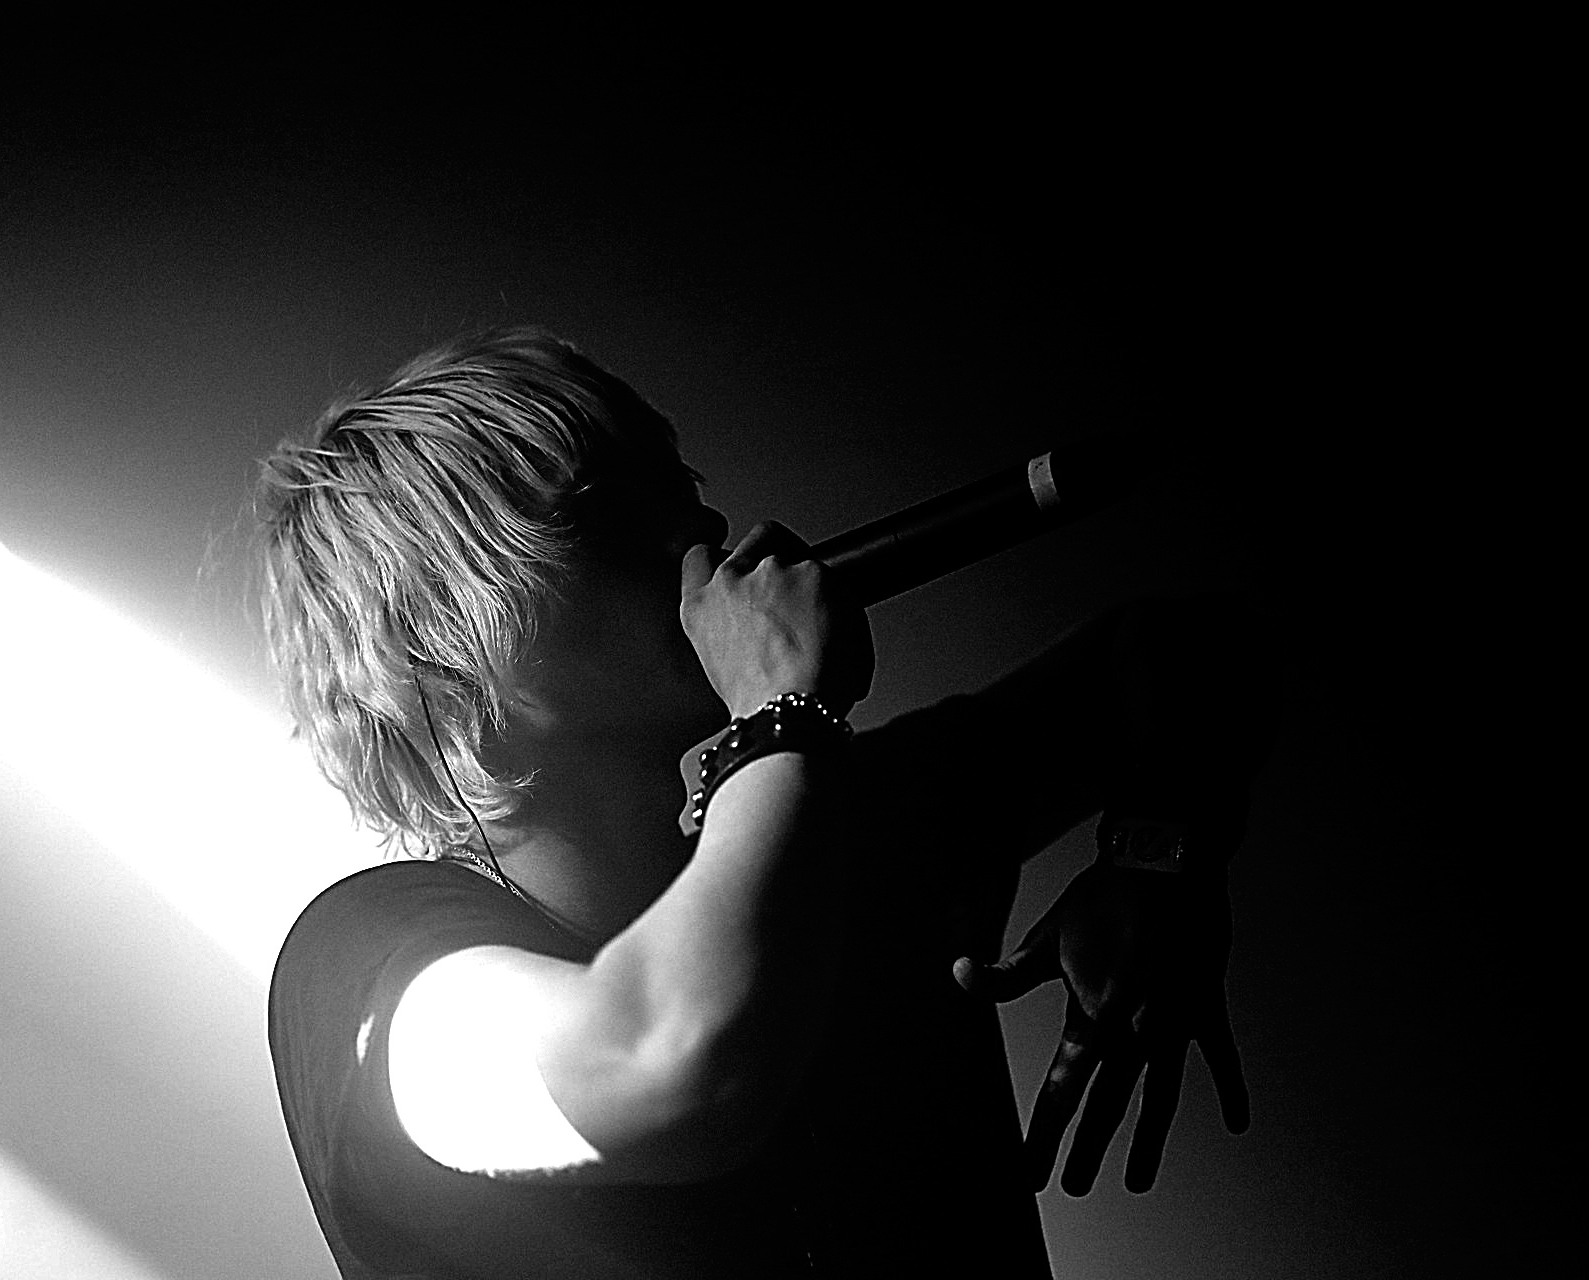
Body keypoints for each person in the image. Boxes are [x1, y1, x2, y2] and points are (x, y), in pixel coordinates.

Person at [259, 327, 1276, 1278]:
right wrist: (784, 712)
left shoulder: (854, 833)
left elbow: (1190, 651)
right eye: (604, 505)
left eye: (681, 485)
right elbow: (678, 1061)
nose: (704, 529)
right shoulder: (369, 961)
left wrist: (1160, 852)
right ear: (439, 645)